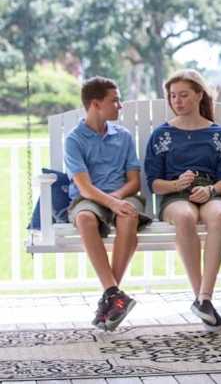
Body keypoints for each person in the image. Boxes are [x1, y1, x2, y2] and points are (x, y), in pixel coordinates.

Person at [144, 69, 221, 332]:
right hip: (175, 194)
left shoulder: (217, 134)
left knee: (219, 215)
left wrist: (211, 191)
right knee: (184, 217)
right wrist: (176, 184)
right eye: (173, 96)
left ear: (198, 96)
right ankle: (201, 298)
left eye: (184, 95)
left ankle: (205, 297)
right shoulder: (162, 134)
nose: (178, 101)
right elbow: (153, 182)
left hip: (209, 191)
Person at [65, 76, 151, 331]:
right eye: (114, 100)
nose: (120, 105)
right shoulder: (74, 140)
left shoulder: (123, 137)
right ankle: (113, 293)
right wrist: (110, 202)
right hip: (89, 198)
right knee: (84, 218)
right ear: (95, 104)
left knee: (129, 216)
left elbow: (134, 182)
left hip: (123, 195)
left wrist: (117, 199)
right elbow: (84, 188)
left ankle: (111, 296)